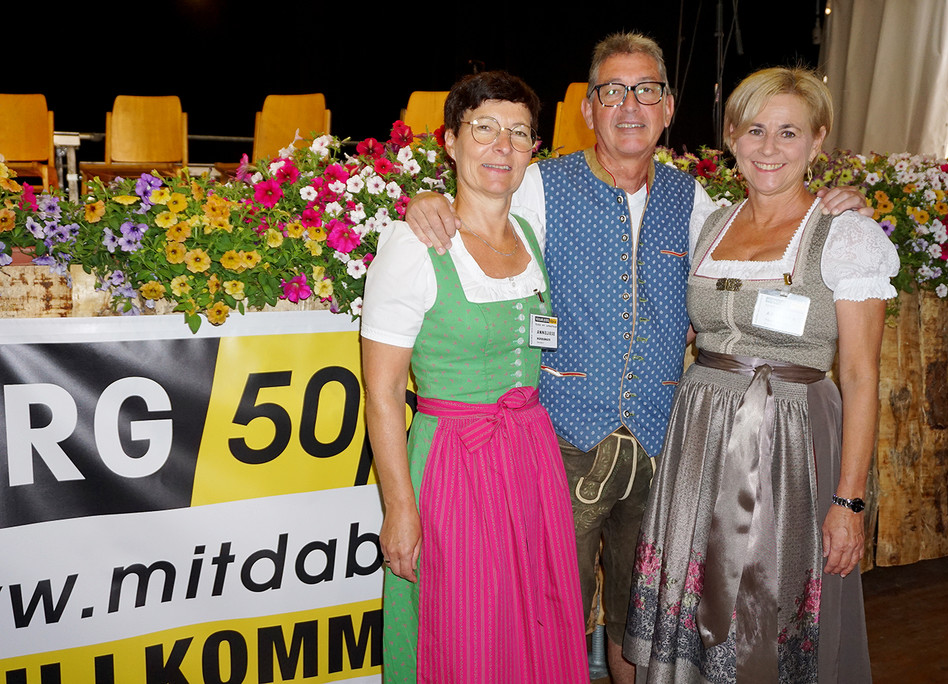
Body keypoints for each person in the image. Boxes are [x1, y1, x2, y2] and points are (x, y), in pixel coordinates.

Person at [405, 33, 870, 684]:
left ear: (669, 107)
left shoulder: (700, 206)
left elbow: (760, 246)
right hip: (562, 444)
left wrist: (842, 203)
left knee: (644, 627)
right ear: (588, 109)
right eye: (613, 91)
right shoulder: (537, 186)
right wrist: (428, 200)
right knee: (546, 616)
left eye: (647, 90)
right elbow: (476, 211)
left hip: (666, 451)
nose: (630, 105)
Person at [624, 67, 899, 683]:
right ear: (731, 137)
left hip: (792, 441)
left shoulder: (846, 236)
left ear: (817, 140)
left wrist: (849, 501)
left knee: (771, 600)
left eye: (789, 132)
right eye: (754, 130)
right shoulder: (711, 222)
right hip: (700, 436)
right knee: (695, 596)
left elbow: (860, 376)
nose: (769, 148)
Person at [361, 71, 588, 683]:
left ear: (533, 148)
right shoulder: (412, 248)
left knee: (530, 622)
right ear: (450, 141)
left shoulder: (530, 230)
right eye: (483, 128)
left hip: (530, 457)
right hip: (452, 463)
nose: (502, 146)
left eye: (519, 133)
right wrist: (399, 508)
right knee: (462, 628)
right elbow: (382, 392)